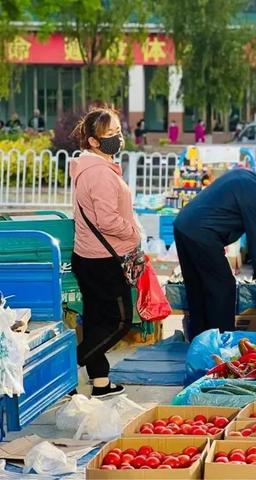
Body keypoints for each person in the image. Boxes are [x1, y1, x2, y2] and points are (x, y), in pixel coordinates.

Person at [174, 166, 256, 341]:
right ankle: (223, 340)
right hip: (202, 233)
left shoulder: (245, 175)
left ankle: (199, 340)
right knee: (224, 286)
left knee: (197, 286)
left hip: (183, 225)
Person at [70, 107, 139, 398]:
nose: (117, 139)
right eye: (109, 135)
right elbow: (106, 220)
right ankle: (69, 365)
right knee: (120, 322)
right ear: (94, 141)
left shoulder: (95, 165)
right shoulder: (98, 172)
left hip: (92, 255)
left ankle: (100, 383)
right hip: (103, 259)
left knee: (97, 320)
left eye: (118, 132)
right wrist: (134, 233)